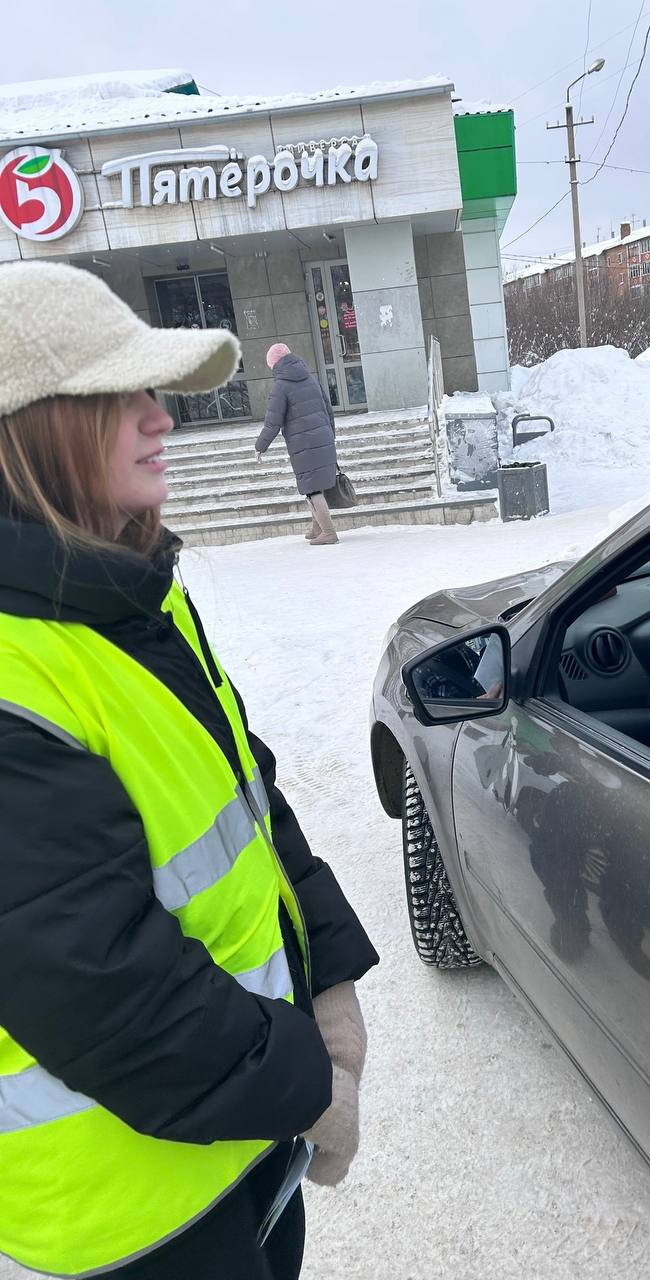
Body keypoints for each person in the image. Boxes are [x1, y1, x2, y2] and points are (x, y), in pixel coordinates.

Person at [0, 263, 379, 1280]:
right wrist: (307, 1079)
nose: (161, 418)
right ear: (36, 428)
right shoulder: (14, 665)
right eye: (121, 396)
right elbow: (97, 983)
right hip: (125, 1225)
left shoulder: (130, 590)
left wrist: (327, 970)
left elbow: (244, 793)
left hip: (235, 1148)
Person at [256, 343, 340, 546]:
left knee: (311, 488)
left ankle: (329, 532)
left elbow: (273, 421)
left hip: (303, 443)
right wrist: (330, 433)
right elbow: (327, 407)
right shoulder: (310, 377)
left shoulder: (280, 386)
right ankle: (317, 528)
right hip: (323, 437)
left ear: (274, 364)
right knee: (315, 483)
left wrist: (260, 446)